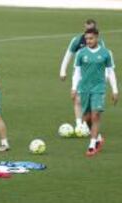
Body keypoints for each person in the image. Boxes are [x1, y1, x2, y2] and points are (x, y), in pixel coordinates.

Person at [72, 28, 118, 156]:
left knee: (95, 115)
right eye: (86, 39)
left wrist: (115, 90)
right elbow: (77, 72)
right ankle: (98, 137)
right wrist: (74, 88)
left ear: (97, 38)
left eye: (91, 38)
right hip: (84, 88)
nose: (88, 41)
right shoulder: (81, 53)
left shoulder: (106, 53)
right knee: (86, 119)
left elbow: (110, 72)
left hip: (99, 88)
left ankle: (92, 145)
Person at [60, 19, 106, 128]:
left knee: (90, 104)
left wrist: (105, 76)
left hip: (94, 77)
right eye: (87, 28)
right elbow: (68, 55)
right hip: (79, 73)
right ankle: (78, 125)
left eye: (91, 29)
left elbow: (104, 61)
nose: (88, 31)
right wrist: (63, 70)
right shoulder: (77, 40)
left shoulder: (100, 43)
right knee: (77, 98)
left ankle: (87, 123)